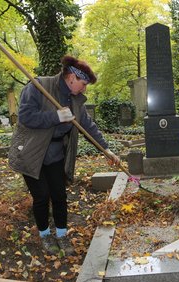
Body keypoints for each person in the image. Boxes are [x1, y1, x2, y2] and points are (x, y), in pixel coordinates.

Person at [8, 55, 120, 255]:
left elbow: (88, 126)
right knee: (41, 196)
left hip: (55, 153)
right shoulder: (38, 86)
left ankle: (61, 234)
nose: (84, 89)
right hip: (31, 152)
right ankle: (44, 235)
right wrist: (55, 117)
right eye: (83, 84)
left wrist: (106, 149)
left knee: (59, 195)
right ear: (71, 78)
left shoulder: (75, 100)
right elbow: (24, 117)